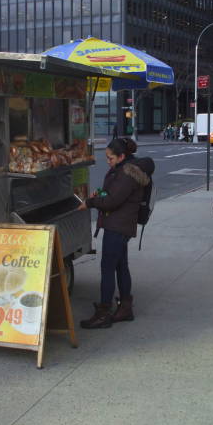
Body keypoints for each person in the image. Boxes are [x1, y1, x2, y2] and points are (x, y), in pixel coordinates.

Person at [78, 138, 151, 328]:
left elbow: (113, 201)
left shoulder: (127, 174)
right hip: (120, 225)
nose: (108, 161)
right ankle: (125, 307)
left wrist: (90, 202)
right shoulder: (122, 169)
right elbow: (112, 195)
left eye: (110, 158)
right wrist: (100, 194)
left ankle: (104, 313)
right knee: (120, 266)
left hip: (118, 226)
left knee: (108, 268)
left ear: (121, 156)